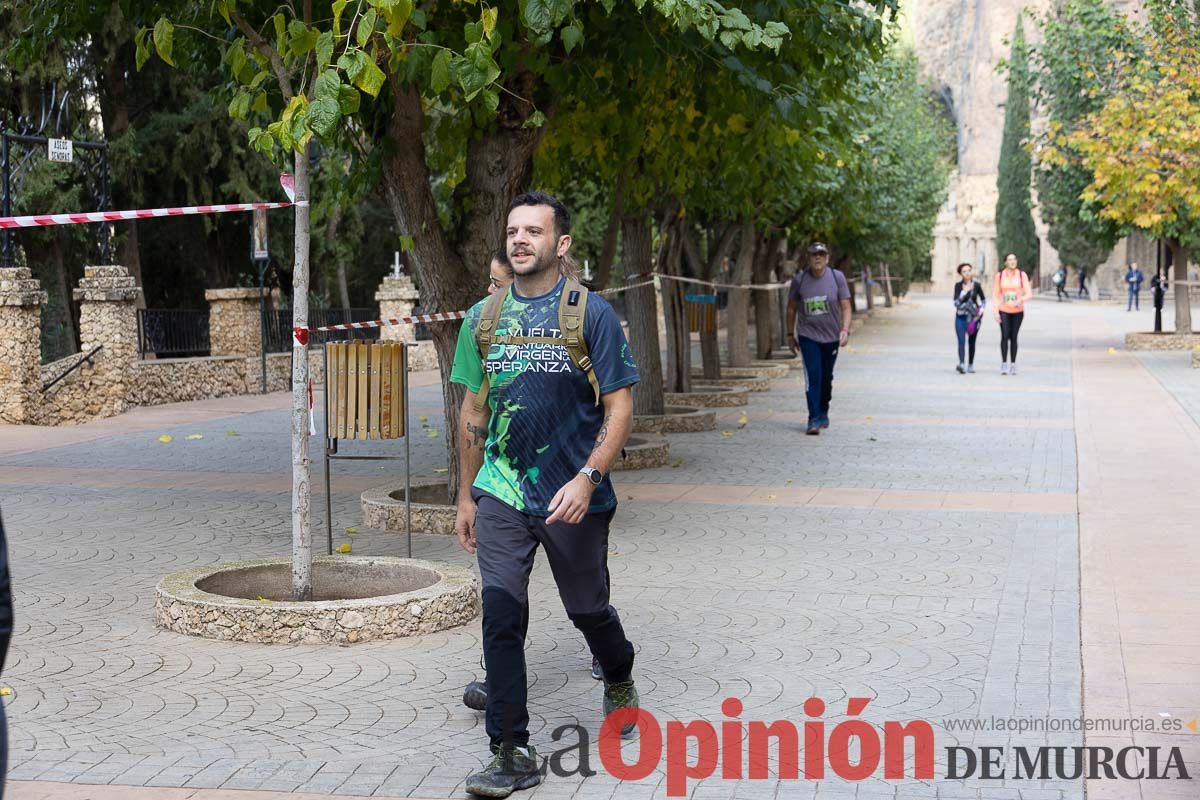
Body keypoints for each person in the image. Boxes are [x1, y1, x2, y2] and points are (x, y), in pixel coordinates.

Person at [452, 192, 640, 797]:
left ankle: (617, 674)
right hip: (502, 491)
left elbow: (620, 406)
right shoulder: (484, 318)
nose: (519, 240)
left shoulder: (591, 316)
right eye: (512, 230)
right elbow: (473, 413)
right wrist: (465, 497)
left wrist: (589, 477)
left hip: (570, 495)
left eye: (533, 231)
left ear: (560, 245)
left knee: (588, 610)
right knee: (502, 615)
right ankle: (511, 749)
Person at [786, 242, 852, 435]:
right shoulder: (800, 280)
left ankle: (823, 410)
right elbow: (791, 308)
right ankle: (813, 418)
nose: (818, 258)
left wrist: (845, 330)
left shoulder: (836, 277)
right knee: (813, 377)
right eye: (814, 255)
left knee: (826, 378)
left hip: (831, 337)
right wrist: (790, 334)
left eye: (821, 255)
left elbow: (846, 307)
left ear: (827, 258)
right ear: (808, 258)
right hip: (808, 337)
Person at [993, 253, 1033, 375]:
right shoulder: (999, 276)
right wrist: (996, 312)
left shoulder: (1022, 275)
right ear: (1005, 262)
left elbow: (1029, 294)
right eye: (1009, 260)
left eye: (1014, 259)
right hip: (1004, 309)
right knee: (1005, 336)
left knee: (1013, 337)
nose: (1012, 261)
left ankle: (1013, 364)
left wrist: (1020, 300)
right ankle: (1004, 363)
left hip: (1017, 311)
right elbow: (996, 295)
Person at [953, 263, 986, 373]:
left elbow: (983, 300)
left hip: (973, 318)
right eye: (964, 271)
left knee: (972, 342)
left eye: (969, 270)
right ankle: (962, 364)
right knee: (961, 341)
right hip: (960, 317)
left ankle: (970, 365)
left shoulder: (976, 285)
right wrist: (964, 292)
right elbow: (956, 303)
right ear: (961, 274)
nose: (967, 273)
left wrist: (981, 311)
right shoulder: (958, 286)